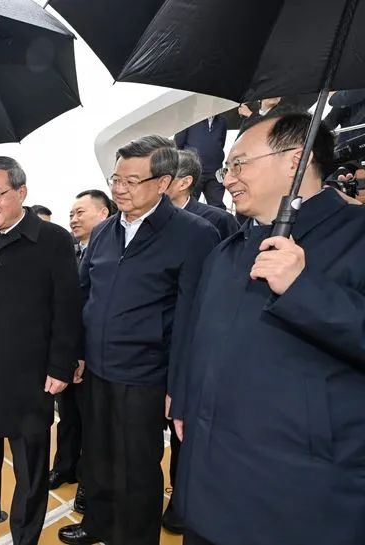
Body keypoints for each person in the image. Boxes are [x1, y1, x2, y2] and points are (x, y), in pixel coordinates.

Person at [171, 113, 365, 545]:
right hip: (208, 487)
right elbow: (196, 337)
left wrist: (303, 288)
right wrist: (184, 398)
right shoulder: (226, 251)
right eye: (226, 168)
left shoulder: (357, 235)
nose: (227, 180)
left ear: (296, 160)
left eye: (239, 164)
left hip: (297, 498)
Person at [58, 137, 219, 545]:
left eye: (132, 180)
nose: (120, 188)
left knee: (137, 469)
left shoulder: (194, 234)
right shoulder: (104, 231)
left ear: (163, 182)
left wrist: (178, 387)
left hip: (146, 376)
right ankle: (97, 523)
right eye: (116, 179)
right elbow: (83, 295)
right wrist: (76, 354)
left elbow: (192, 319)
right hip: (96, 371)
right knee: (98, 456)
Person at [0, 156, 82, 545]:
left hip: (29, 373)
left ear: (21, 192)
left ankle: (25, 533)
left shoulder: (53, 240)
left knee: (30, 463)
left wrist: (61, 365)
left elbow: (67, 308)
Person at [49, 189, 116, 512]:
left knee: (94, 424)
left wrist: (84, 354)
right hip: (69, 351)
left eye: (80, 213)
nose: (73, 219)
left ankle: (89, 483)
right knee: (68, 417)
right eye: (71, 214)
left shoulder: (113, 256)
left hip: (96, 355)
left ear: (104, 214)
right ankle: (65, 467)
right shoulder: (71, 253)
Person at [167, 149, 240, 239]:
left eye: (163, 178)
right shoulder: (152, 215)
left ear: (184, 183)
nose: (154, 183)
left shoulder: (219, 220)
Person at [174, 116, 228, 209]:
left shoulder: (222, 121)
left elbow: (221, 144)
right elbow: (178, 144)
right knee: (189, 205)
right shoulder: (190, 119)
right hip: (193, 171)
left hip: (214, 171)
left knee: (218, 205)